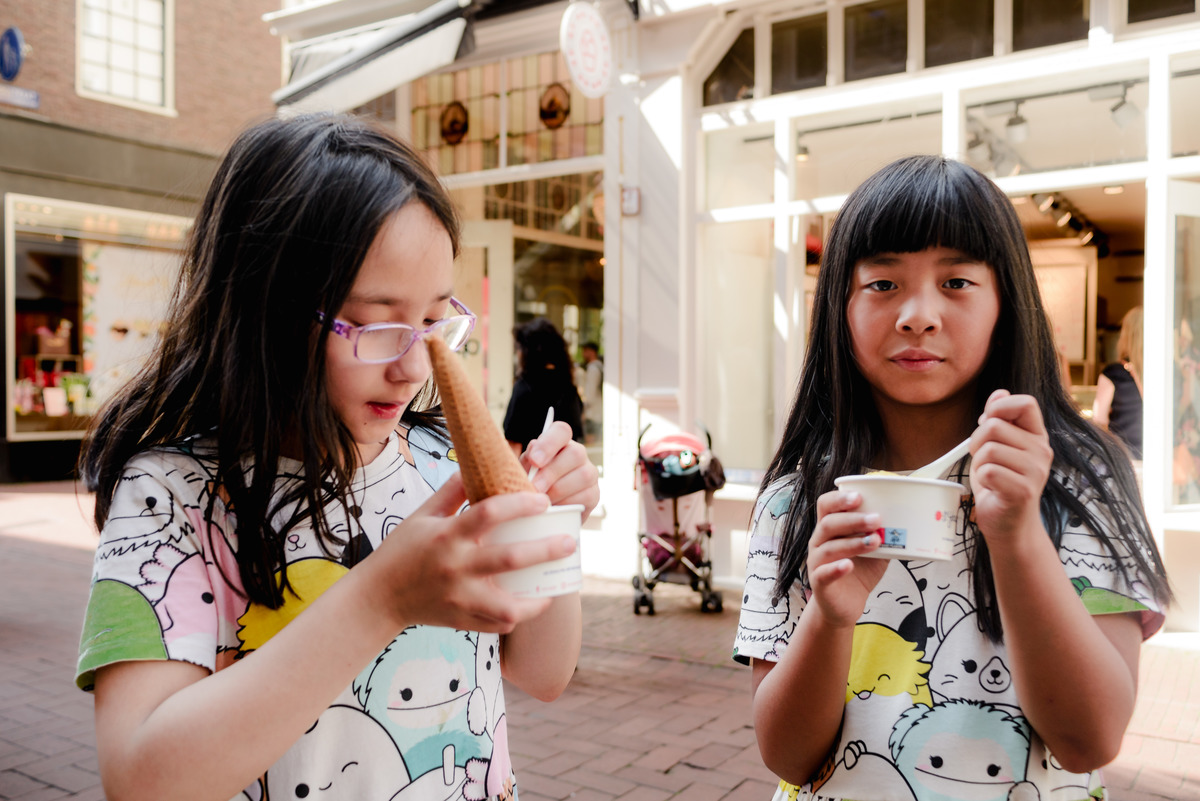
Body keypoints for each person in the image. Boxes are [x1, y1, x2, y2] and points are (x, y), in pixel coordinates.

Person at [74, 113, 599, 801]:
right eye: (379, 324)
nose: (414, 366)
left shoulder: (443, 461)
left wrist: (551, 529)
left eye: (436, 320)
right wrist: (383, 596)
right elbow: (142, 780)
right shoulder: (171, 498)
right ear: (266, 309)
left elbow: (543, 671)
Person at [733, 155, 1171, 801]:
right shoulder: (795, 503)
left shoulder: (1079, 481)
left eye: (957, 281)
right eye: (882, 283)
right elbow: (790, 757)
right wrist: (827, 619)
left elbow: (1089, 738)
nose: (918, 314)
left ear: (1006, 301)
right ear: (839, 307)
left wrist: (1019, 537)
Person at [503, 318, 584, 453]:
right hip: (564, 469)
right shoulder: (568, 388)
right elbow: (576, 435)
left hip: (531, 469)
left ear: (528, 351)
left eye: (519, 348)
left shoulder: (524, 387)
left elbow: (513, 441)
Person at [1093, 306, 1144, 460]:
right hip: (1159, 457)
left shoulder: (1113, 373)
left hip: (1125, 458)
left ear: (1125, 334)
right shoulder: (1165, 372)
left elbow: (1099, 421)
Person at [579, 342, 603, 445]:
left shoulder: (593, 369)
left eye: (585, 351)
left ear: (592, 352)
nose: (583, 354)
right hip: (597, 411)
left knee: (591, 443)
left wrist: (584, 407)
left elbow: (590, 393)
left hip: (593, 413)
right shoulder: (598, 367)